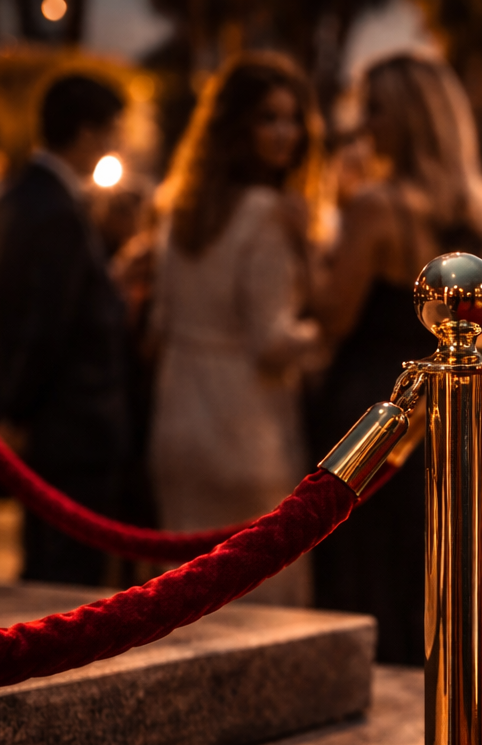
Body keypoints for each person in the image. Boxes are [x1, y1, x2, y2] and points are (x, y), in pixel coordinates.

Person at [305, 53, 482, 664]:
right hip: (448, 411)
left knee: (361, 564)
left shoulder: (376, 206)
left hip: (374, 405)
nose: (365, 125)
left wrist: (309, 250)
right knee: (428, 559)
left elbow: (333, 315)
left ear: (411, 119)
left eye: (376, 110)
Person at [146, 53, 323, 606]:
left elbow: (161, 319)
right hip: (247, 424)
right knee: (258, 603)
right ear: (238, 127)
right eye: (269, 118)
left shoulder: (178, 209)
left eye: (292, 119)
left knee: (184, 599)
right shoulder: (268, 212)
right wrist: (329, 333)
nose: (286, 134)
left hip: (178, 413)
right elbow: (272, 341)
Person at [0, 74, 128, 587]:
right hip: (71, 422)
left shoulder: (16, 198)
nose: (112, 145)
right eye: (111, 132)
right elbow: (45, 323)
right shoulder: (57, 209)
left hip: (48, 419)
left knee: (47, 560)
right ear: (86, 133)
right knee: (67, 576)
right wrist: (20, 409)